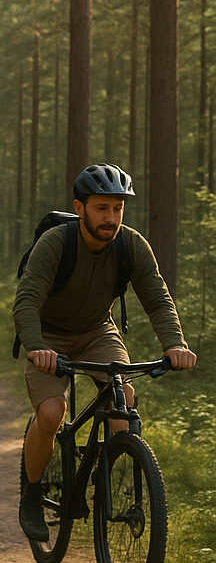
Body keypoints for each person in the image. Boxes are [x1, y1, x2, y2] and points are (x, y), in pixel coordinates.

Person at [14, 163, 196, 542]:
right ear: (80, 208)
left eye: (118, 208)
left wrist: (174, 344)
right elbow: (27, 300)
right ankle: (32, 495)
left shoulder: (131, 245)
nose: (111, 217)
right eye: (102, 208)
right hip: (49, 336)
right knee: (51, 412)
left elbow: (158, 299)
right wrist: (36, 347)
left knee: (123, 399)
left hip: (98, 330)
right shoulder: (57, 243)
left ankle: (107, 471)